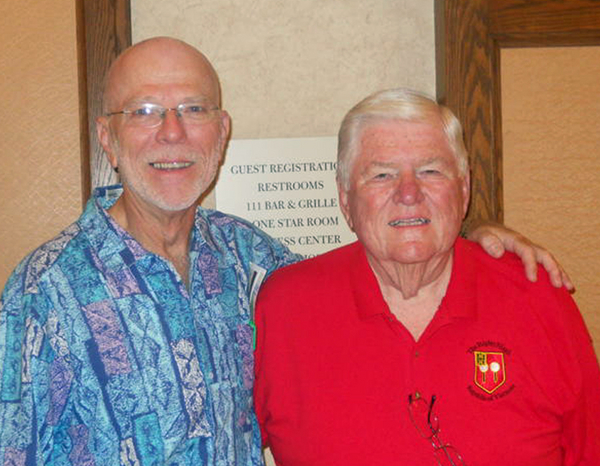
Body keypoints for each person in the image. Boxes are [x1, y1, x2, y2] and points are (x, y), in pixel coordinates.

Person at [0, 38, 570, 465]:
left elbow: (380, 259)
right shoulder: (43, 292)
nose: (172, 132)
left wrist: (468, 234)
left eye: (194, 110)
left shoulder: (249, 260)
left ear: (221, 133)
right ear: (108, 138)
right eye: (145, 111)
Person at [253, 88, 600, 465]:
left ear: (464, 190)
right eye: (382, 174)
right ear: (345, 199)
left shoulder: (537, 298)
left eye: (430, 171)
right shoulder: (285, 308)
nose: (408, 193)